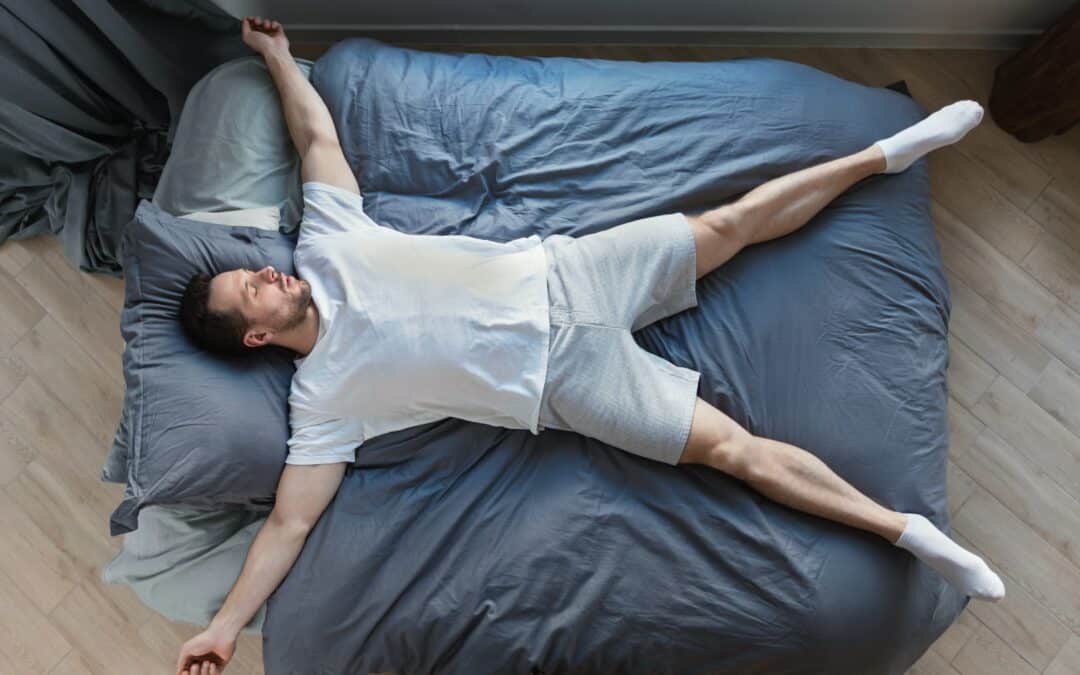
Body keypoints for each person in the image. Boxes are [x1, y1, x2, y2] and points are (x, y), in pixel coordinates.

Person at [176, 16, 1004, 675]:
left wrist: (278, 57)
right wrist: (223, 627)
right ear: (257, 333)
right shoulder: (323, 403)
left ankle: (888, 152)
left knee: (733, 222)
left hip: (572, 275)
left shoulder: (327, 242)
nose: (268, 272)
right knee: (735, 453)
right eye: (252, 288)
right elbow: (288, 524)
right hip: (568, 384)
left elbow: (318, 141)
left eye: (254, 269)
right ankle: (907, 531)